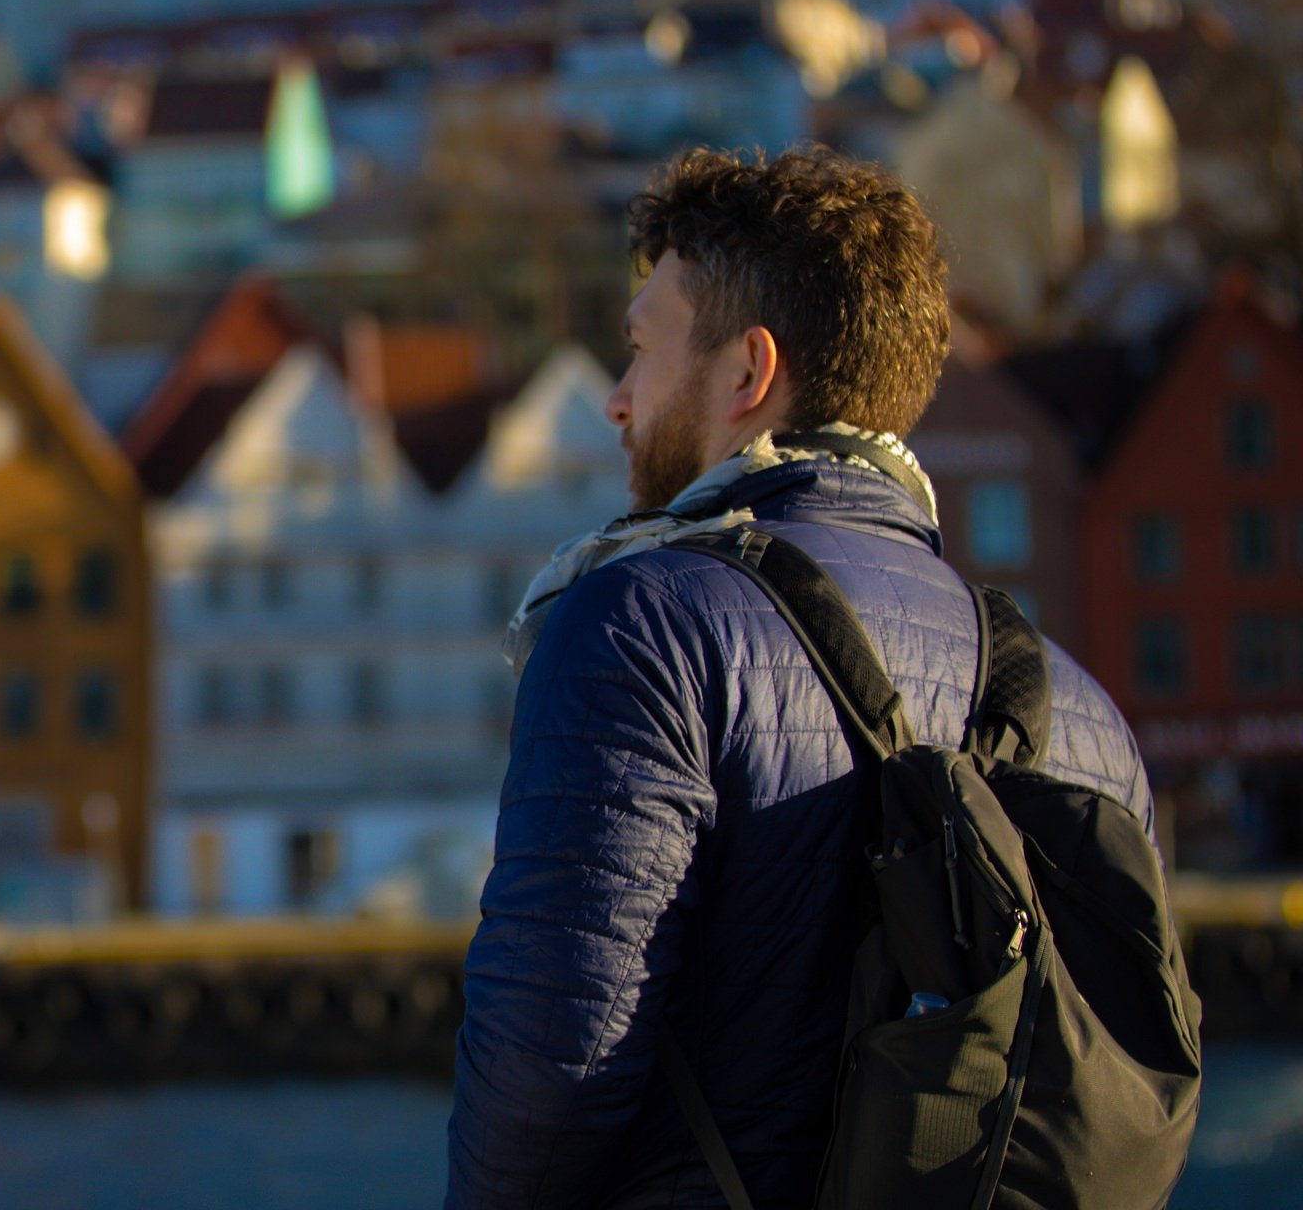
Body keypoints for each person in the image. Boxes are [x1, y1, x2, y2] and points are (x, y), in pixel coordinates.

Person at [445, 145, 1153, 1208]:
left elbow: (548, 1073)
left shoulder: (643, 624)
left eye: (640, 348)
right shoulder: (1085, 711)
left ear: (746, 373)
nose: (618, 399)